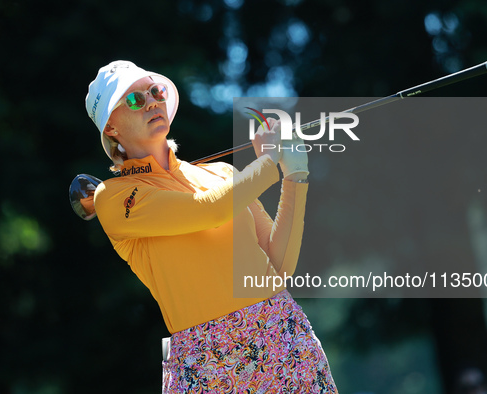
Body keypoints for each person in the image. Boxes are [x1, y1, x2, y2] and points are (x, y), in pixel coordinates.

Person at [85, 60, 337, 393]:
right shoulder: (113, 197)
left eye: (155, 91)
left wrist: (295, 178)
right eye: (134, 100)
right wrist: (267, 161)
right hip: (204, 360)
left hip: (283, 333)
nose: (151, 102)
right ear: (111, 128)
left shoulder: (223, 174)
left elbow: (278, 270)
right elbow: (211, 209)